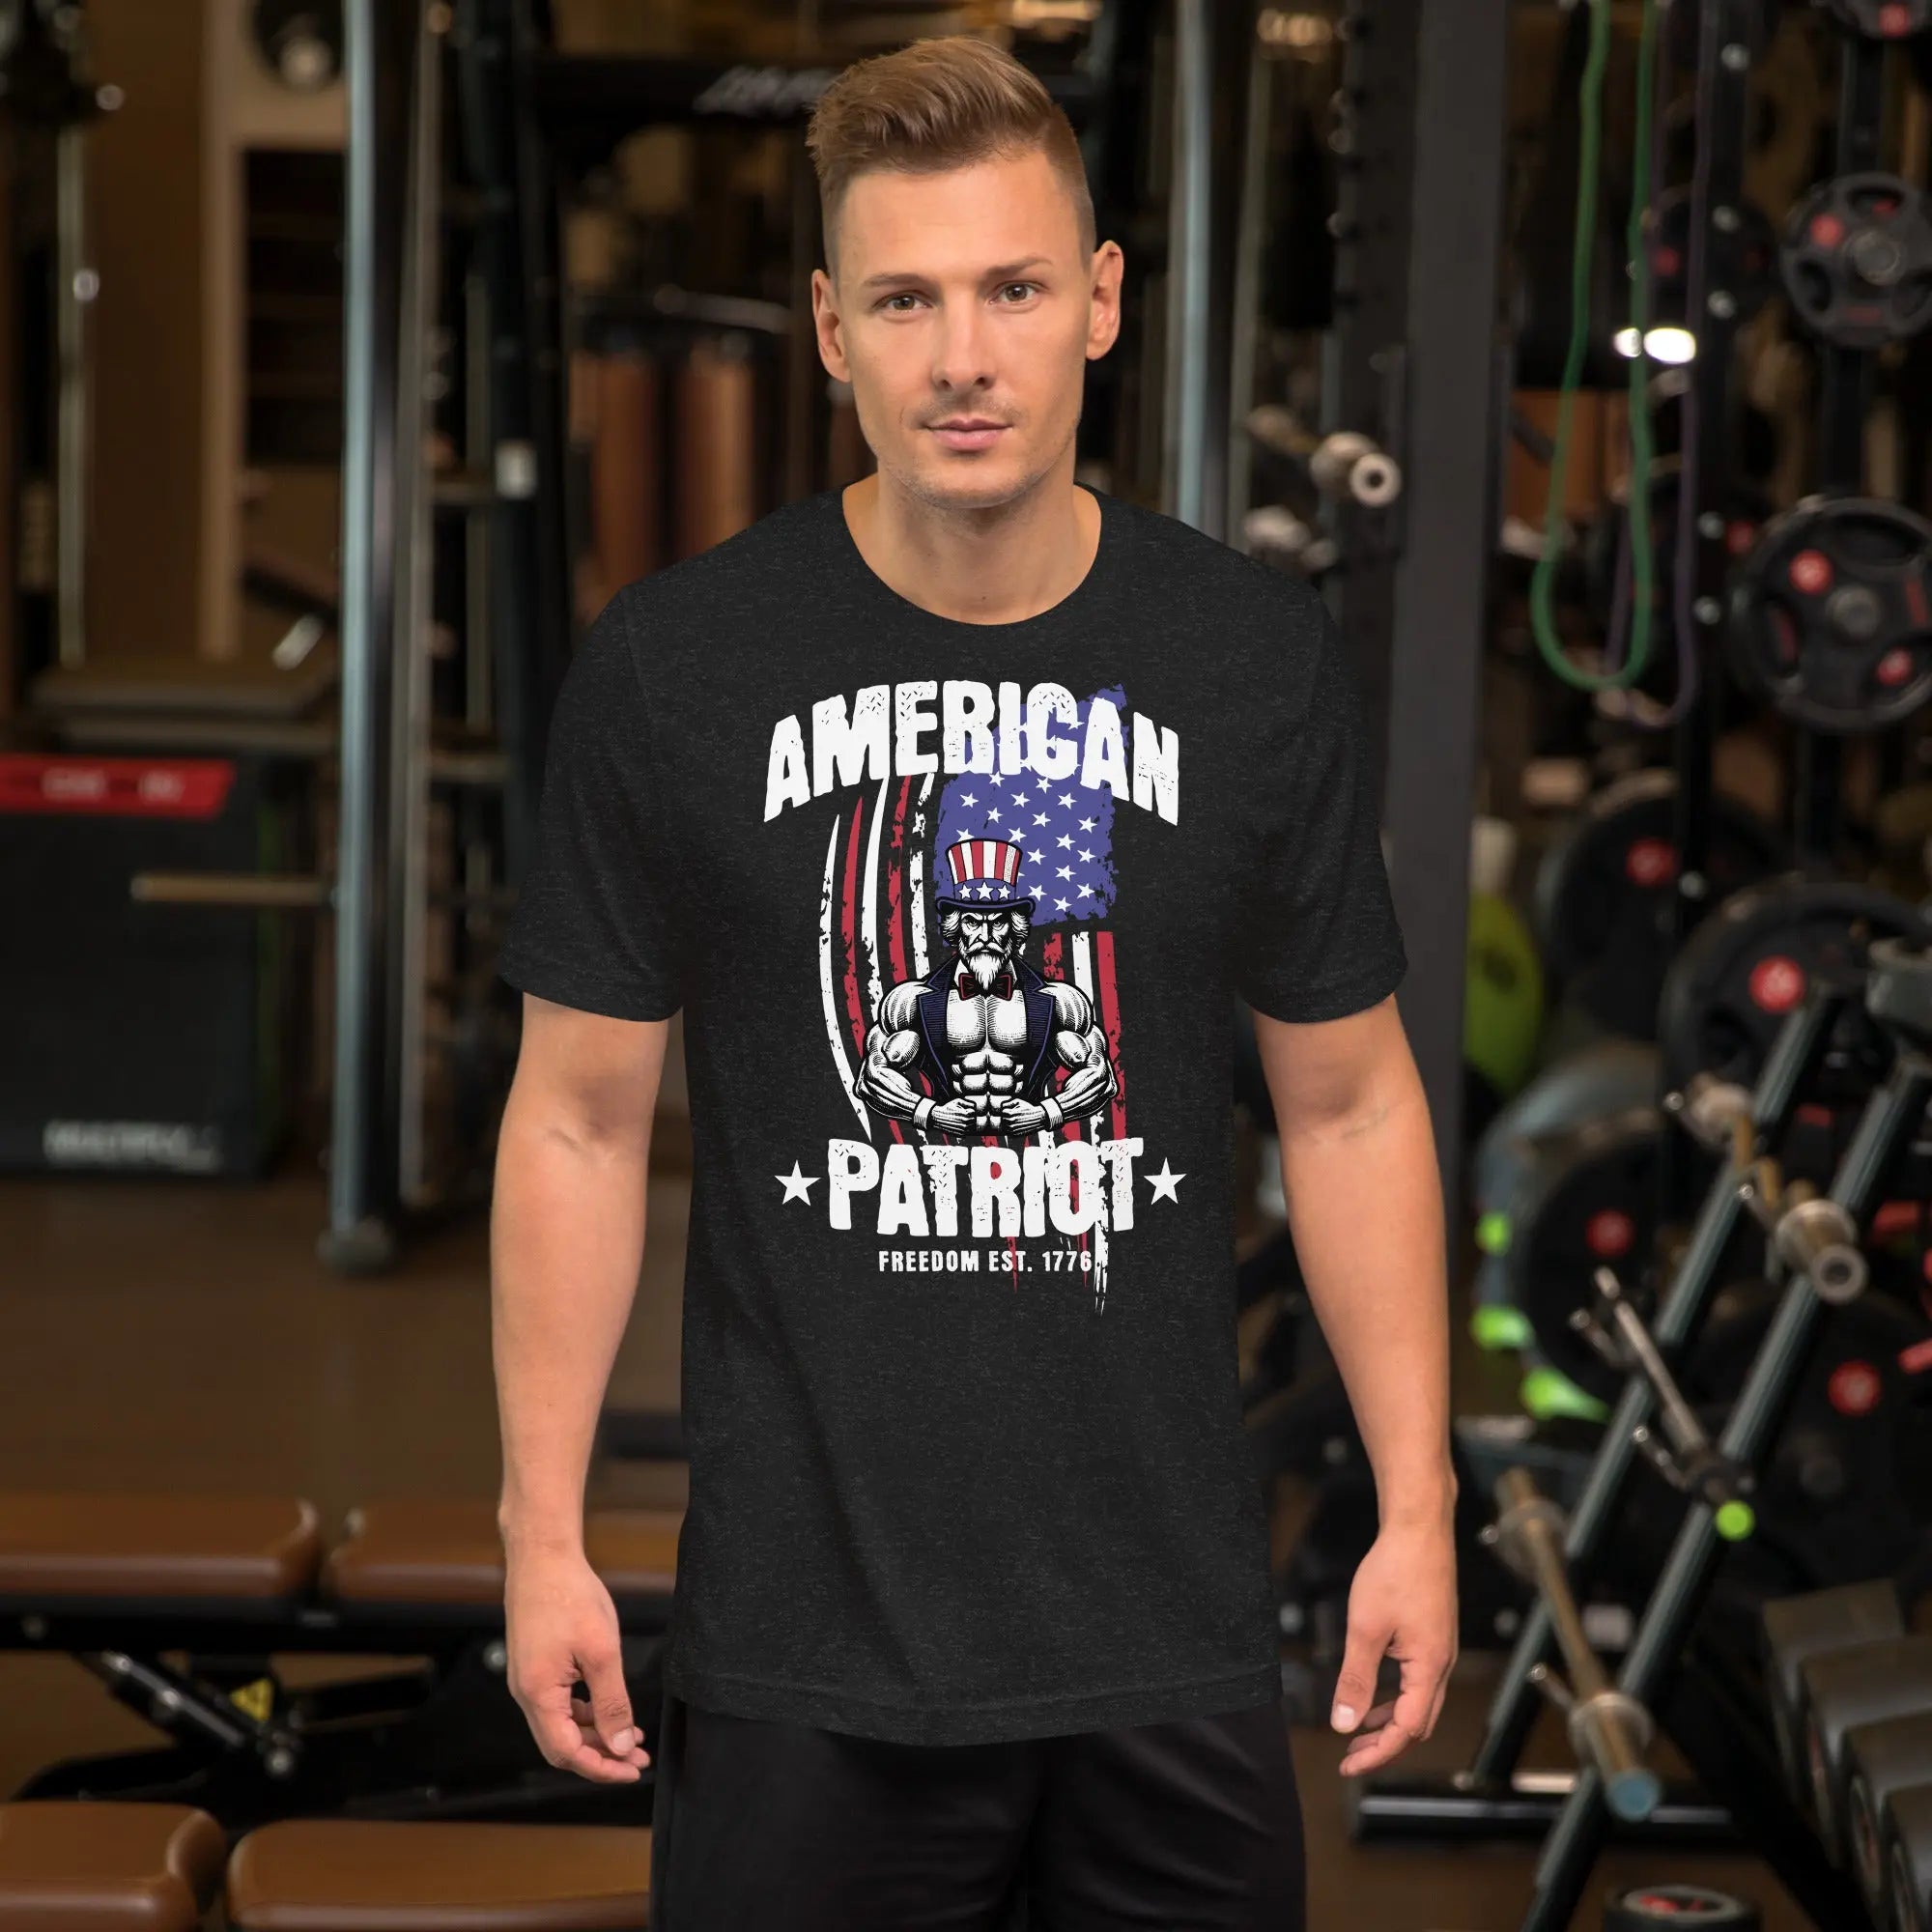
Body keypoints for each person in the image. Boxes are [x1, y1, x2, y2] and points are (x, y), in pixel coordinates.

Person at [491, 32, 1455, 1931]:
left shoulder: (1244, 665)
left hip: (1164, 1636)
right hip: (805, 1645)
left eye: (1013, 288)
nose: (962, 357)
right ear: (830, 328)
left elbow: (1350, 1099)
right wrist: (541, 1533)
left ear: (1098, 304)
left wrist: (1413, 1511)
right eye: (908, 299)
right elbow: (578, 1120)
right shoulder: (682, 669)